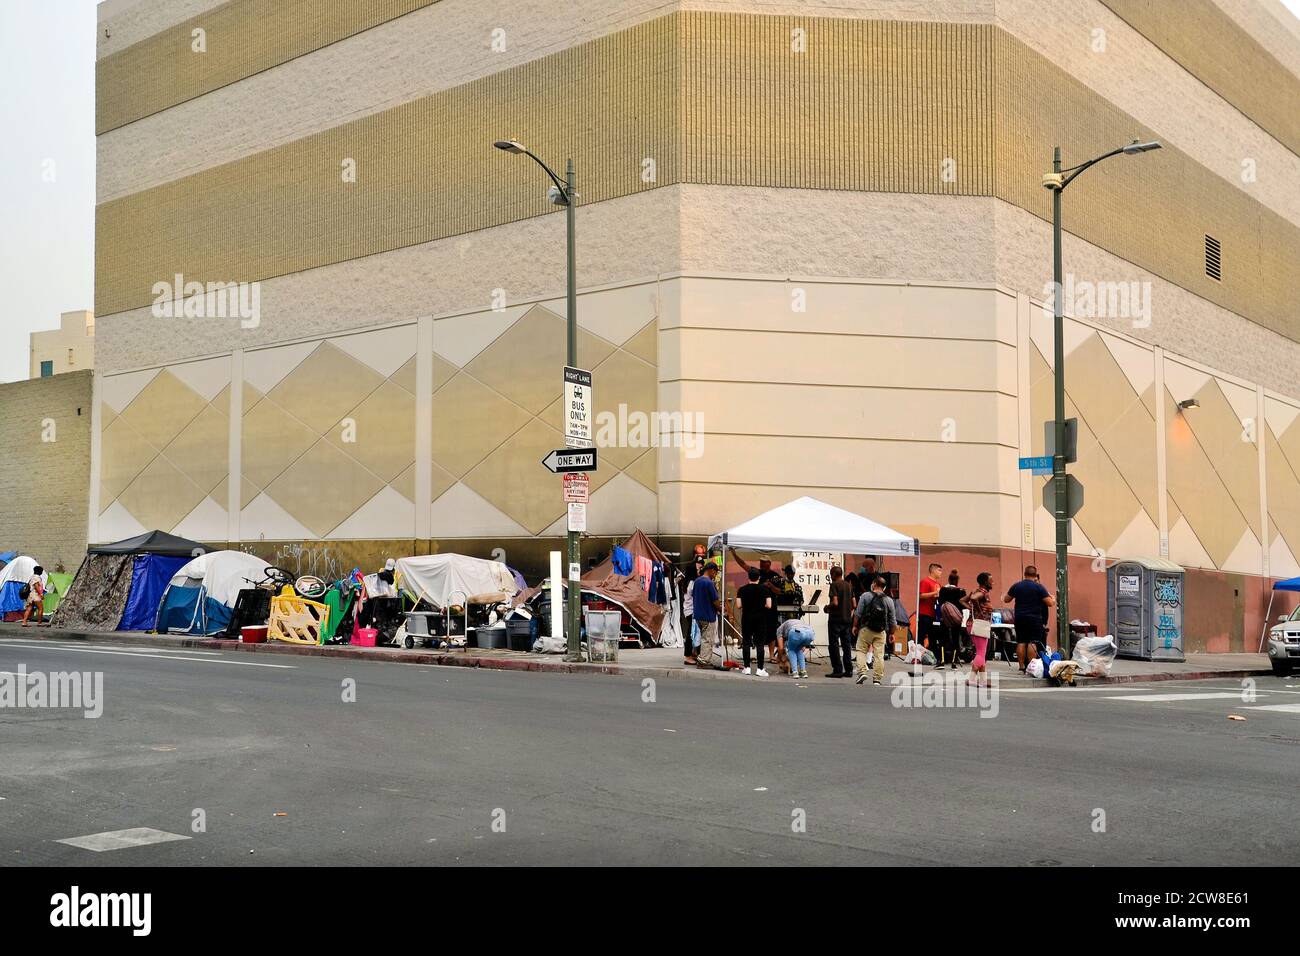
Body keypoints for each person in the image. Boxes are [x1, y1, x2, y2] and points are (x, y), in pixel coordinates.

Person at [1004, 565, 1055, 673]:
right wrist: (1053, 599)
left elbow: (1006, 599)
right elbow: (1049, 603)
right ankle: (1031, 667)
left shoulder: (1017, 586)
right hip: (1034, 619)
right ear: (1035, 575)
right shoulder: (1039, 587)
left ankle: (1021, 666)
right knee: (1033, 642)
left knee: (1021, 641)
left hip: (1019, 618)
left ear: (1024, 574)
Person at [853, 575, 896, 685]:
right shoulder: (889, 600)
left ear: (874, 584)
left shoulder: (865, 596)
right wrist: (892, 633)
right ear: (884, 587)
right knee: (879, 655)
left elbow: (858, 613)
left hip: (866, 628)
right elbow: (892, 620)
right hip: (881, 631)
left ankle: (862, 672)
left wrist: (855, 626)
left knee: (861, 650)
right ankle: (877, 679)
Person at [736, 567, 772, 676]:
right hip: (760, 618)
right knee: (760, 643)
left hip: (746, 618)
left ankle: (747, 668)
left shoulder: (742, 590)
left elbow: (739, 605)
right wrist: (761, 605)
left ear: (748, 577)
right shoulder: (765, 590)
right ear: (759, 578)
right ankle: (760, 669)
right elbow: (769, 605)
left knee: (746, 642)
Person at [824, 565, 855, 678]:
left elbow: (835, 602)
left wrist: (827, 607)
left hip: (835, 619)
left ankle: (837, 670)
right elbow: (854, 604)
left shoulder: (834, 585)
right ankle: (849, 670)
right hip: (847, 620)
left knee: (834, 645)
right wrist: (849, 614)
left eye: (831, 574)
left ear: (833, 574)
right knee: (846, 645)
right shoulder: (849, 585)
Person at [691, 563, 722, 669]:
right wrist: (721, 609)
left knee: (704, 637)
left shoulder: (697, 581)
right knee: (707, 639)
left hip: (698, 614)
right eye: (715, 572)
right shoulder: (709, 583)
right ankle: (703, 660)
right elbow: (715, 600)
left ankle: (702, 658)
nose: (715, 574)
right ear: (711, 570)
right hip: (708, 614)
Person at [967, 571, 995, 686]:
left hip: (977, 625)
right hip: (979, 625)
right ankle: (972, 679)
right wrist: (978, 608)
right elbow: (973, 598)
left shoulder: (981, 591)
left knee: (981, 653)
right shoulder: (982, 592)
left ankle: (983, 681)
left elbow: (967, 599)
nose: (993, 582)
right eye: (991, 580)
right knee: (980, 653)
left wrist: (977, 608)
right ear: (985, 582)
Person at [937, 569, 967, 669]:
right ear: (957, 581)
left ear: (949, 580)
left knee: (943, 638)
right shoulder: (961, 591)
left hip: (944, 617)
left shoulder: (943, 590)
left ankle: (941, 661)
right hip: (956, 618)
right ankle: (954, 663)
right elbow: (963, 605)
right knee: (955, 639)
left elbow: (940, 602)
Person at [918, 562, 942, 658]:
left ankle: (931, 656)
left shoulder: (938, 584)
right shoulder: (925, 581)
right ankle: (918, 656)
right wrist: (934, 593)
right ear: (932, 570)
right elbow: (921, 595)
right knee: (921, 635)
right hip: (924, 613)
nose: (941, 572)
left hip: (934, 614)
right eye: (939, 570)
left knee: (933, 636)